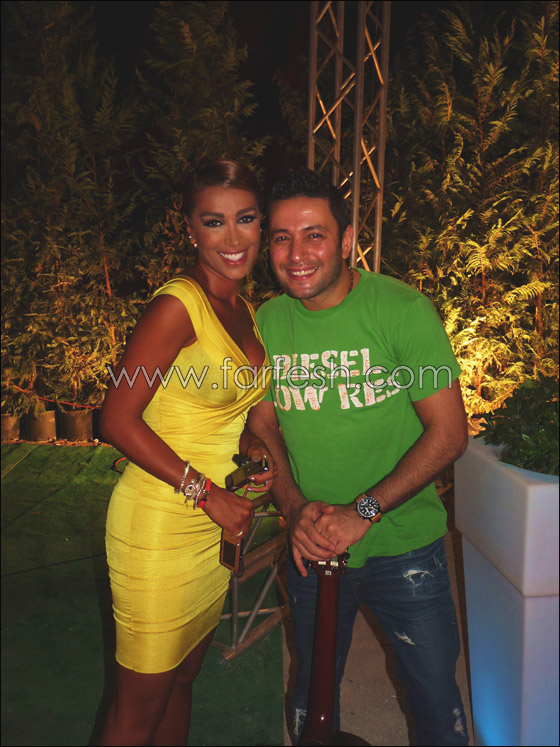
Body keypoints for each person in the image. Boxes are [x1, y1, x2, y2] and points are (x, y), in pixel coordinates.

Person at [247, 168, 469, 746]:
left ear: (346, 241)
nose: (296, 254)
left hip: (405, 545)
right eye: (281, 238)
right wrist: (295, 509)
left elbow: (449, 434)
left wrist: (362, 511)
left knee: (436, 703)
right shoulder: (266, 323)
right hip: (311, 545)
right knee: (312, 695)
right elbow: (261, 422)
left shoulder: (402, 311)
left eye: (314, 235)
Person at [98, 160, 275, 746]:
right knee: (135, 714)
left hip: (212, 530)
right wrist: (207, 494)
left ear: (261, 223)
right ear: (191, 229)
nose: (233, 237)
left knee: (183, 680)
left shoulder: (243, 309)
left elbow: (219, 410)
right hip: (160, 526)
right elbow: (116, 419)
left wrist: (249, 442)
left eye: (245, 218)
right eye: (214, 221)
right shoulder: (178, 305)